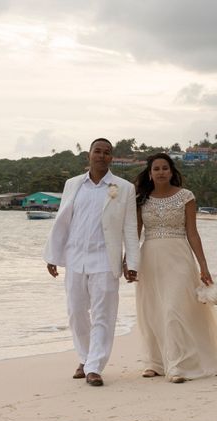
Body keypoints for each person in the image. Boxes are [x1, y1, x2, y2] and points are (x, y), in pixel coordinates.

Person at [44, 138, 140, 387]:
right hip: (75, 258)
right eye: (97, 151)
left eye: (107, 152)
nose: (101, 155)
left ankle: (94, 366)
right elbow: (63, 221)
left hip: (105, 260)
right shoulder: (73, 184)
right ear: (88, 155)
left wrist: (132, 262)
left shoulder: (124, 188)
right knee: (76, 312)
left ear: (111, 158)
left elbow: (130, 228)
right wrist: (53, 256)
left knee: (103, 315)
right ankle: (85, 359)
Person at [133, 153, 217, 383]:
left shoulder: (185, 197)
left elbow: (192, 233)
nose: (160, 172)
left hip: (179, 257)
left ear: (171, 171)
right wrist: (130, 262)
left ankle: (177, 366)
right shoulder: (141, 199)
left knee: (173, 310)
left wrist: (203, 266)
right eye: (156, 168)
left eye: (164, 168)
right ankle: (155, 363)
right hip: (150, 258)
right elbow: (135, 233)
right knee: (153, 310)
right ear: (150, 173)